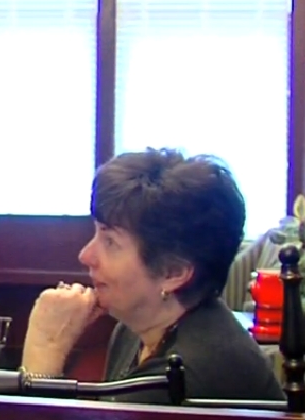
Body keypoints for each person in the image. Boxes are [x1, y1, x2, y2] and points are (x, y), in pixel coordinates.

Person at [20, 148, 284, 405]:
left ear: (173, 272)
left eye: (110, 241)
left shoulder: (185, 374)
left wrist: (45, 349)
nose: (85, 255)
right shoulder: (134, 329)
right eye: (97, 233)